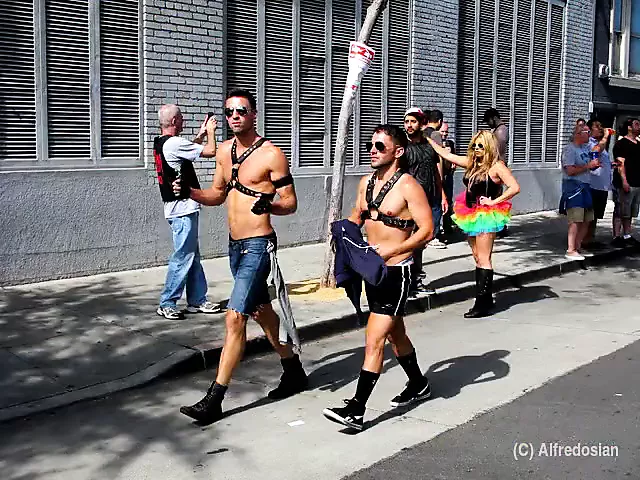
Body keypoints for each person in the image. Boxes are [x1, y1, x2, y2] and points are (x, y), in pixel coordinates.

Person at [177, 89, 307, 425]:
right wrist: (189, 192)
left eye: (241, 111)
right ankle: (293, 370)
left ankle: (214, 398)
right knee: (262, 313)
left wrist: (271, 205)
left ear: (253, 114)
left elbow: (290, 202)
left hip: (259, 245)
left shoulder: (271, 155)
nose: (234, 116)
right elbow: (218, 194)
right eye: (229, 111)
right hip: (235, 247)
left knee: (235, 317)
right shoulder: (223, 151)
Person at [323, 124, 434, 431]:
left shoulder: (409, 186)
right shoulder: (366, 182)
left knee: (374, 340)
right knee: (396, 333)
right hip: (373, 270)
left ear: (398, 152)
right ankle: (419, 383)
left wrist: (393, 251)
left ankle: (356, 411)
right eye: (371, 145)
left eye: (379, 146)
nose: (372, 150)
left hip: (397, 271)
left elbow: (427, 230)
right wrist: (344, 237)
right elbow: (357, 216)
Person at [427, 131, 520, 318]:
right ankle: (486, 298)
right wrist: (426, 137)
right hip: (470, 212)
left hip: (486, 214)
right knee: (477, 256)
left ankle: (482, 303)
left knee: (484, 257)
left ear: (489, 147)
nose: (477, 149)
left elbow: (515, 187)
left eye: (481, 146)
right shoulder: (472, 163)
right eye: (474, 146)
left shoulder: (497, 167)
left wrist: (494, 202)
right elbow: (447, 154)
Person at [154, 104, 222, 320]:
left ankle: (197, 300)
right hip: (182, 209)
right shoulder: (174, 143)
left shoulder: (163, 142)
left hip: (177, 208)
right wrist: (211, 133)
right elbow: (211, 152)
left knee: (192, 256)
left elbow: (187, 150)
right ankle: (167, 302)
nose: (183, 120)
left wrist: (200, 135)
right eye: (181, 118)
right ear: (174, 121)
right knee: (183, 256)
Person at [403, 108, 445, 297]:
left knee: (420, 242)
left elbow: (435, 172)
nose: (409, 125)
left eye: (412, 122)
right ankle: (407, 283)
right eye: (406, 122)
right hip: (408, 202)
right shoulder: (402, 147)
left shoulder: (429, 146)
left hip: (428, 200)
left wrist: (442, 194)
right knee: (408, 242)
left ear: (421, 124)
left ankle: (416, 281)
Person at [558, 124, 604, 261]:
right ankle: (570, 249)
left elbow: (597, 149)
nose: (589, 134)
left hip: (585, 185)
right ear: (578, 134)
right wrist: (587, 166)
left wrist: (594, 164)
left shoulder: (585, 148)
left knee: (587, 218)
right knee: (576, 219)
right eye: (587, 132)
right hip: (573, 187)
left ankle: (578, 246)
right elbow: (570, 170)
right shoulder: (569, 150)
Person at [583, 120, 613, 249]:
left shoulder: (600, 144)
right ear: (589, 130)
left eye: (602, 126)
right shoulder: (589, 143)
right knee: (589, 216)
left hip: (602, 186)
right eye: (597, 127)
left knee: (595, 216)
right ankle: (583, 240)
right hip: (593, 185)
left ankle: (590, 239)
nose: (601, 129)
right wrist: (606, 136)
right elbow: (596, 151)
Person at [612, 118, 640, 245]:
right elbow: (620, 163)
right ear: (629, 127)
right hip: (625, 182)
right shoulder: (621, 143)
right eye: (636, 124)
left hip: (637, 182)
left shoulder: (638, 144)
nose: (639, 126)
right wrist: (624, 181)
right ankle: (616, 236)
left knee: (630, 211)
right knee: (620, 209)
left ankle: (627, 235)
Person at [423, 109, 448, 248]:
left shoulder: (421, 133)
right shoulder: (435, 134)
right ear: (439, 121)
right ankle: (433, 235)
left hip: (421, 176)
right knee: (436, 206)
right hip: (433, 176)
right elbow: (438, 159)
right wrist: (441, 178)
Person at [484, 108, 510, 238]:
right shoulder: (497, 130)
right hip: (496, 167)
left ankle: (500, 227)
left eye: (488, 121)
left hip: (498, 168)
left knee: (497, 199)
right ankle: (498, 226)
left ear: (493, 118)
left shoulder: (500, 131)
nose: (488, 124)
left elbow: (498, 152)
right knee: (494, 198)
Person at [439, 121, 457, 236]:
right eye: (442, 131)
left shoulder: (450, 143)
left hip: (448, 177)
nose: (445, 134)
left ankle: (447, 226)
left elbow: (453, 163)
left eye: (446, 132)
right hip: (438, 177)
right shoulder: (435, 144)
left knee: (448, 201)